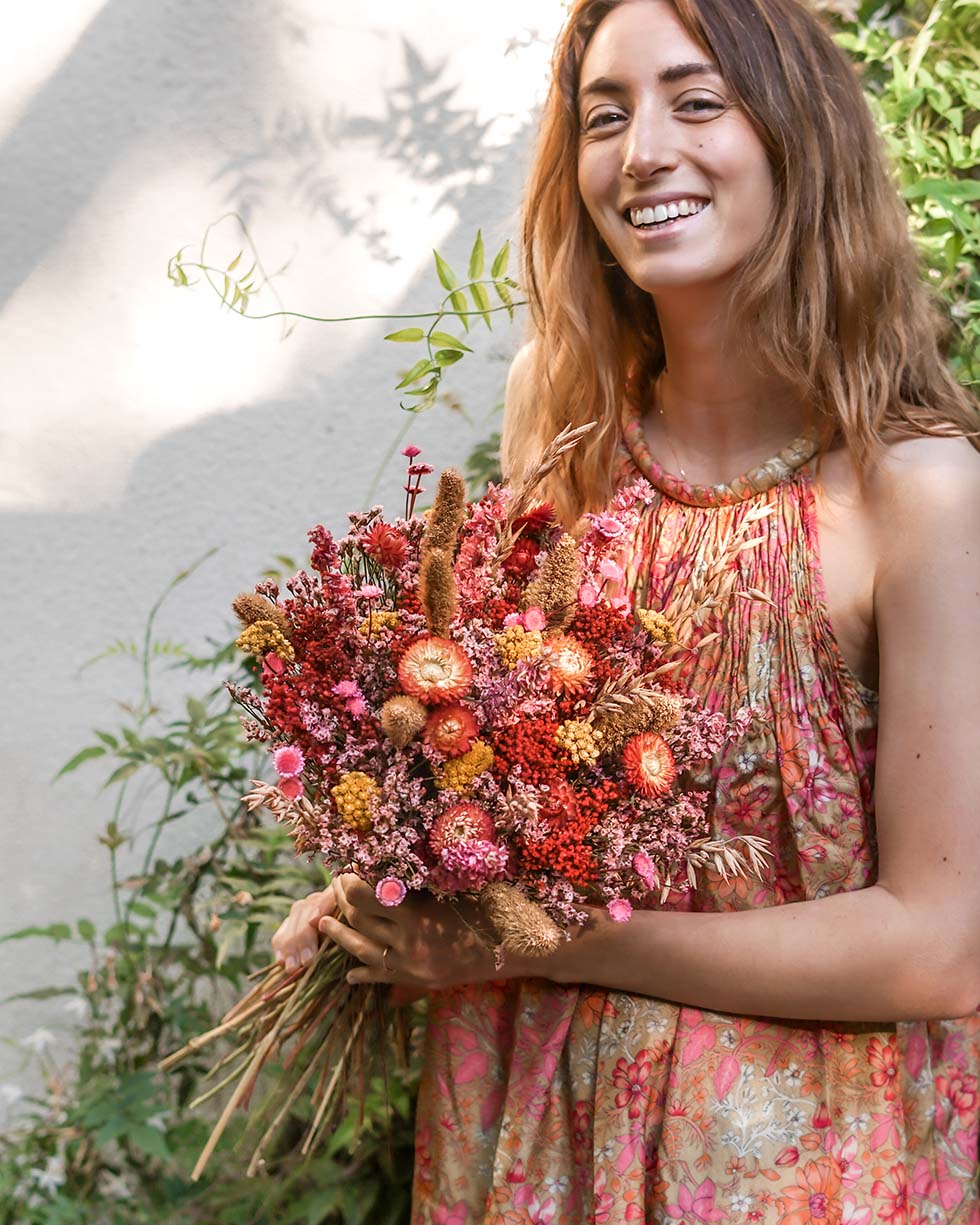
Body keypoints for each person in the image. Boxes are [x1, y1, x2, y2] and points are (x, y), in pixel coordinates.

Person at [272, 0, 980, 1219]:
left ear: (797, 137)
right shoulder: (563, 479)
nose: (641, 148)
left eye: (694, 101)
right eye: (605, 116)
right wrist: (393, 899)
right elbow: (506, 820)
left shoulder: (915, 495)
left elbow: (936, 946)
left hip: (803, 1170)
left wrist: (540, 936)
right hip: (542, 1144)